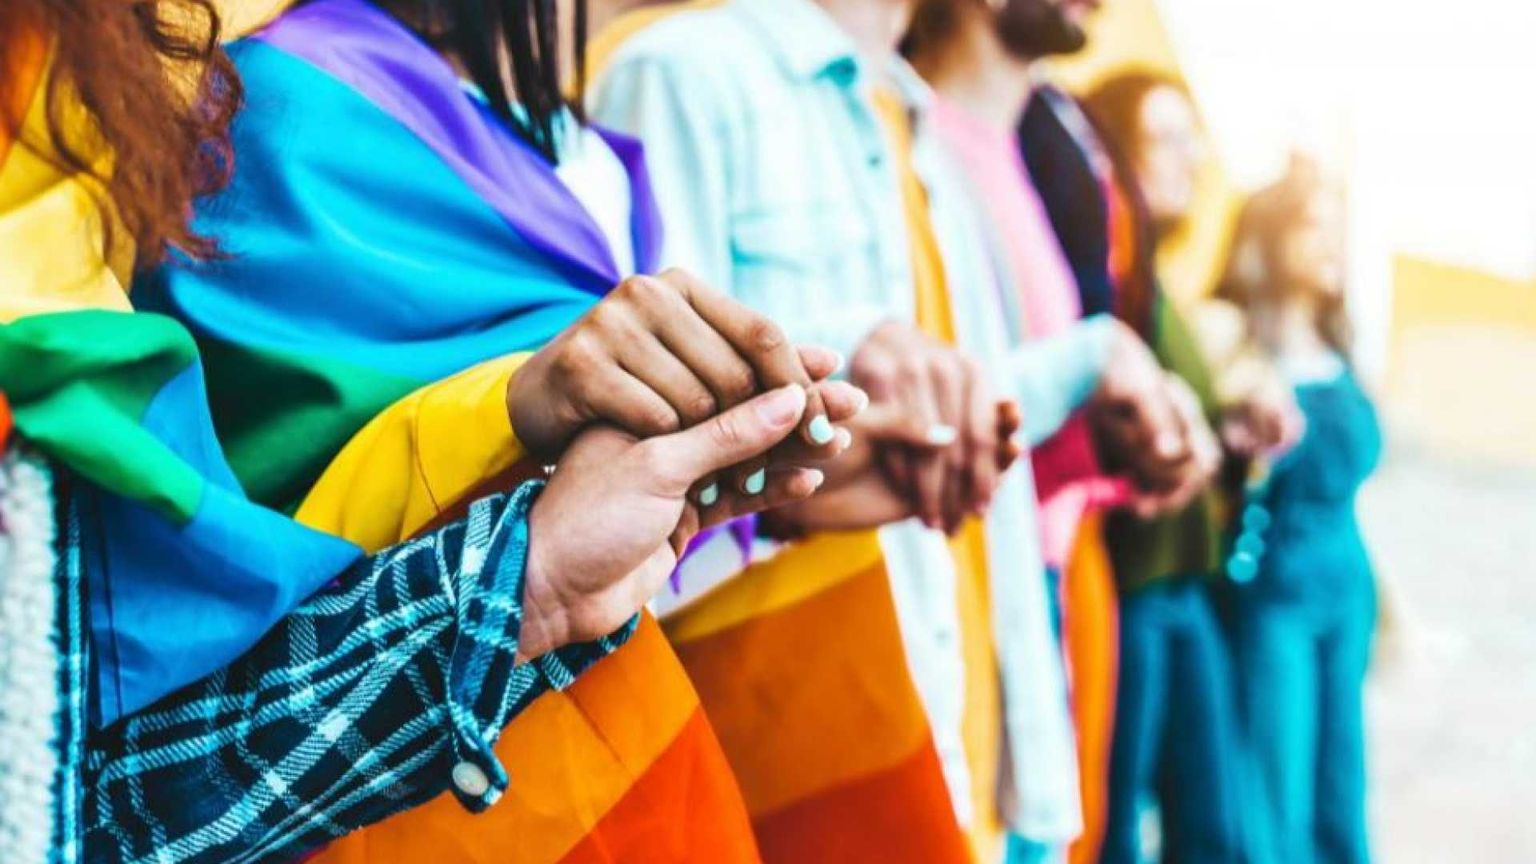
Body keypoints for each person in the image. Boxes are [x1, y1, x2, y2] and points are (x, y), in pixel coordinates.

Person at [0, 1, 863, 861]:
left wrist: (763, 482)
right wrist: (521, 491)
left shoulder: (587, 151)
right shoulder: (271, 101)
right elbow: (149, 688)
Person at [591, 2, 1205, 860]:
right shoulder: (682, 76)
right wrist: (840, 366)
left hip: (961, 756)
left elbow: (960, 419)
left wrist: (1102, 362)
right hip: (797, 772)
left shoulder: (924, 135)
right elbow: (630, 480)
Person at [902, 4, 1229, 862]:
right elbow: (921, 426)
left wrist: (1128, 448)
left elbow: (1011, 422)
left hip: (1043, 584)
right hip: (960, 613)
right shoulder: (913, 142)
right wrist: (1096, 367)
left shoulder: (1041, 160)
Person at [1215, 159, 1380, 864]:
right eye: (1315, 225)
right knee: (1275, 798)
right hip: (1276, 591)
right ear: (1271, 237)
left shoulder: (1342, 348)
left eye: (1338, 228)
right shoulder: (1237, 345)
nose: (1332, 244)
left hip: (1348, 591)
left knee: (1342, 790)